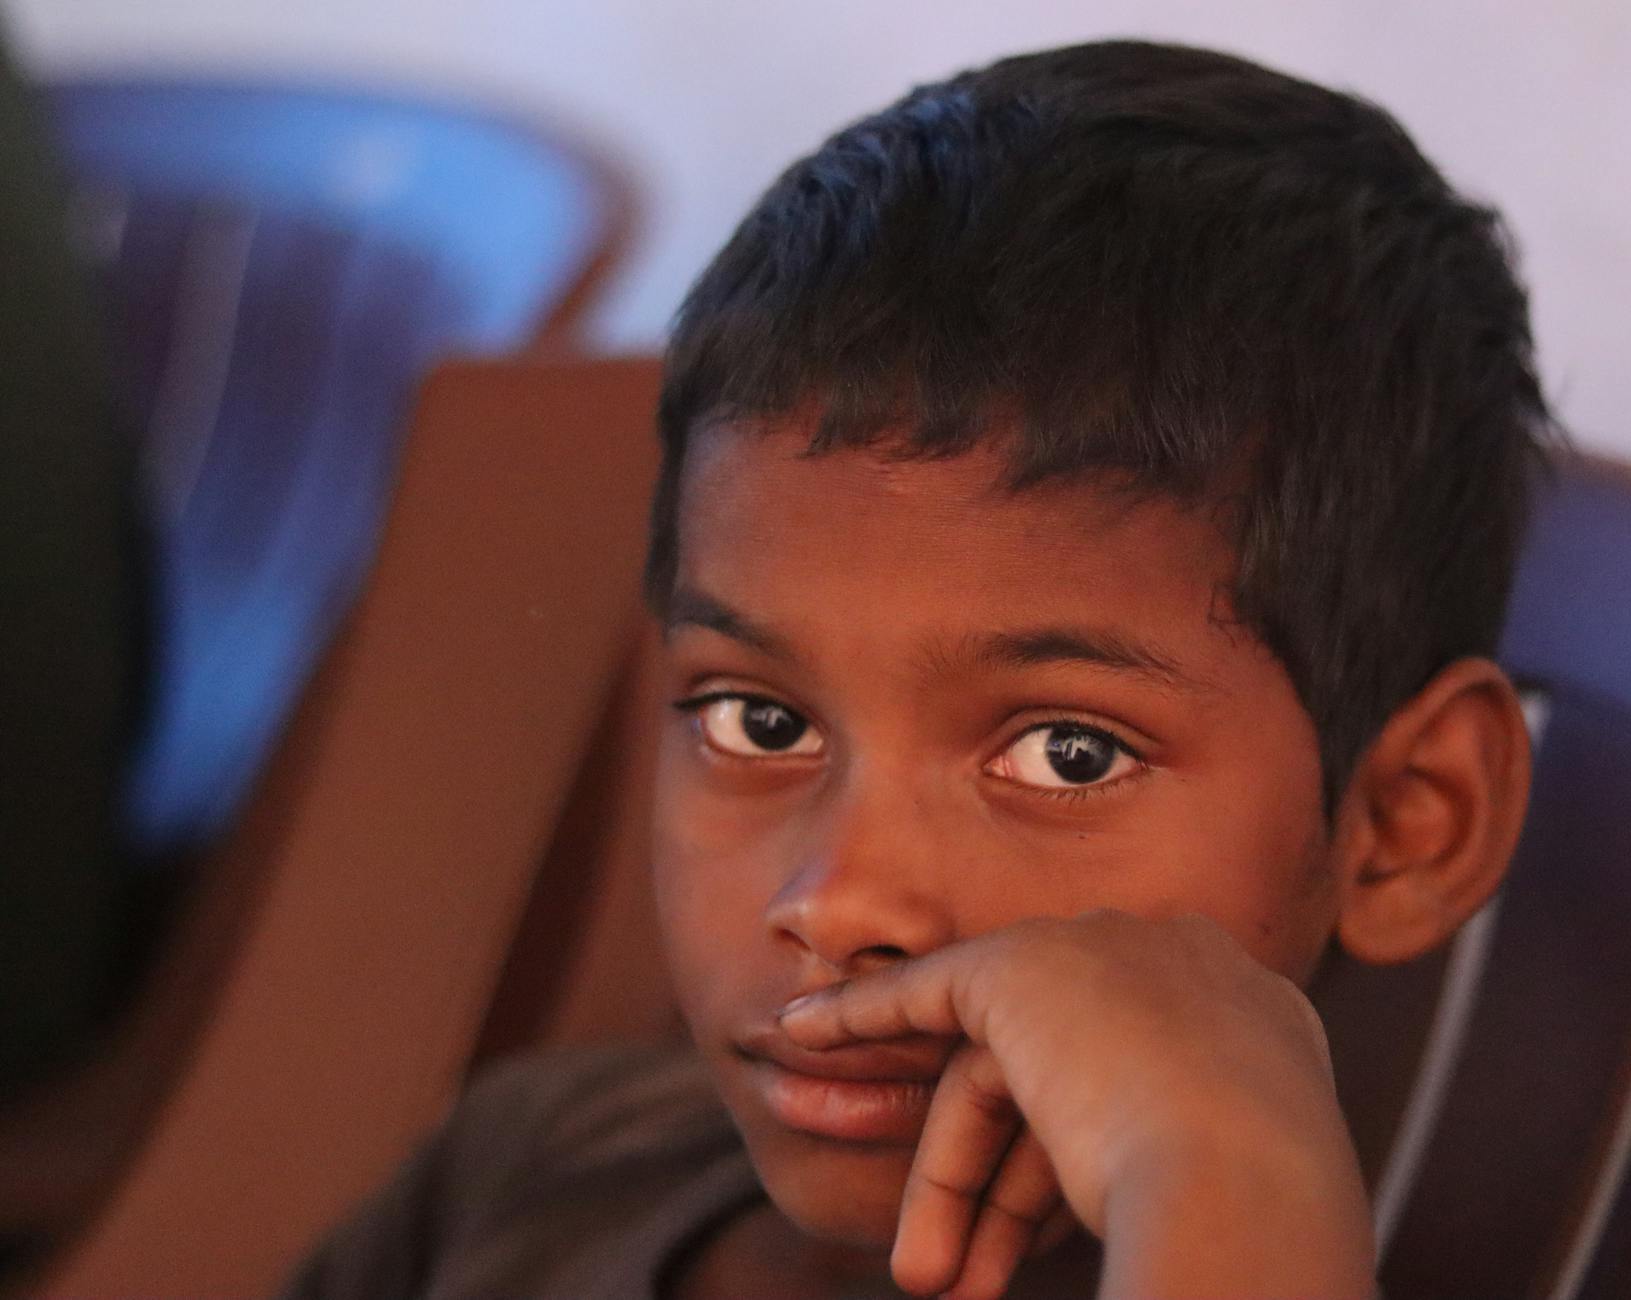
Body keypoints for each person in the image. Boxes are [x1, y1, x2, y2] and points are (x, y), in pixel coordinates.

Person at [288, 38, 1554, 1299]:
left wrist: (1224, 1178)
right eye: (759, 720)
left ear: (1404, 822)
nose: (839, 904)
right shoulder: (541, 1171)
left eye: (1068, 752)